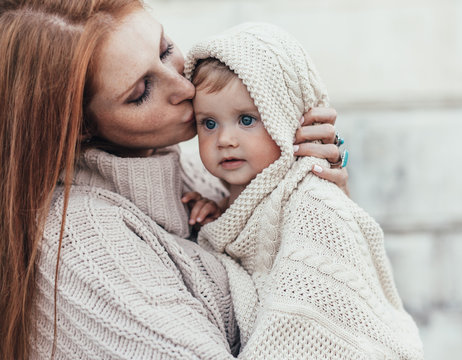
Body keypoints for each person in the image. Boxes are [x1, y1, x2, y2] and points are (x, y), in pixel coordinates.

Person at [0, 1, 348, 359]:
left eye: (165, 50)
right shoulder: (81, 245)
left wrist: (315, 196)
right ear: (82, 128)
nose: (184, 87)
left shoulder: (195, 172)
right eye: (140, 92)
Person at [185, 23, 424, 359]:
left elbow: (317, 306)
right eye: (209, 123)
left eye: (247, 119)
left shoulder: (311, 197)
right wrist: (218, 215)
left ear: (284, 118)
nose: (225, 139)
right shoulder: (228, 198)